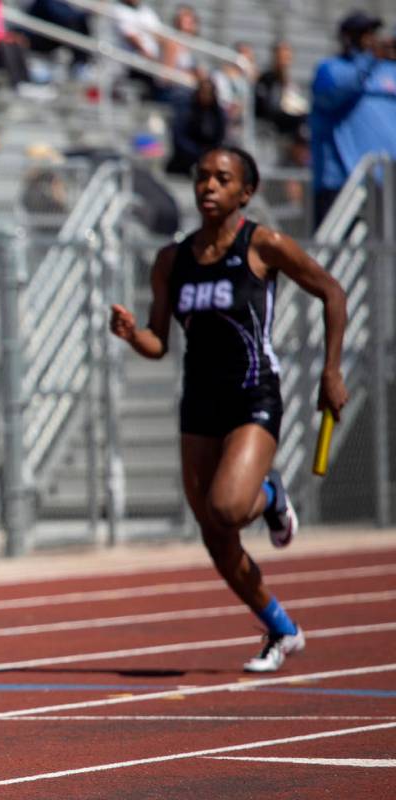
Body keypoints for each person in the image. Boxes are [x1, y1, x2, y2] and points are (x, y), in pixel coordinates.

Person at [110, 146, 349, 673]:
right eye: (202, 177)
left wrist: (331, 371)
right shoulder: (172, 260)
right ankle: (281, 629)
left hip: (252, 393)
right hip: (199, 401)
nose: (209, 186)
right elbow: (160, 342)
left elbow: (332, 291)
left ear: (245, 191)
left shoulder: (263, 244)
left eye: (223, 178)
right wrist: (134, 335)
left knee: (227, 507)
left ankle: (269, 494)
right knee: (214, 532)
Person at [309, 11, 396, 227]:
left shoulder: (388, 70)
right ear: (348, 37)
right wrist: (370, 60)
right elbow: (337, 92)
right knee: (336, 254)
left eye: (372, 33)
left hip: (383, 182)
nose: (371, 39)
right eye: (363, 34)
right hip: (343, 183)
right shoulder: (331, 69)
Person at [165, 75, 225, 176]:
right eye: (203, 92)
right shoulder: (186, 110)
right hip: (185, 158)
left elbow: (219, 137)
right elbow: (179, 137)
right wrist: (196, 153)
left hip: (208, 155)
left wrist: (208, 153)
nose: (206, 96)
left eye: (209, 93)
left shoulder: (218, 114)